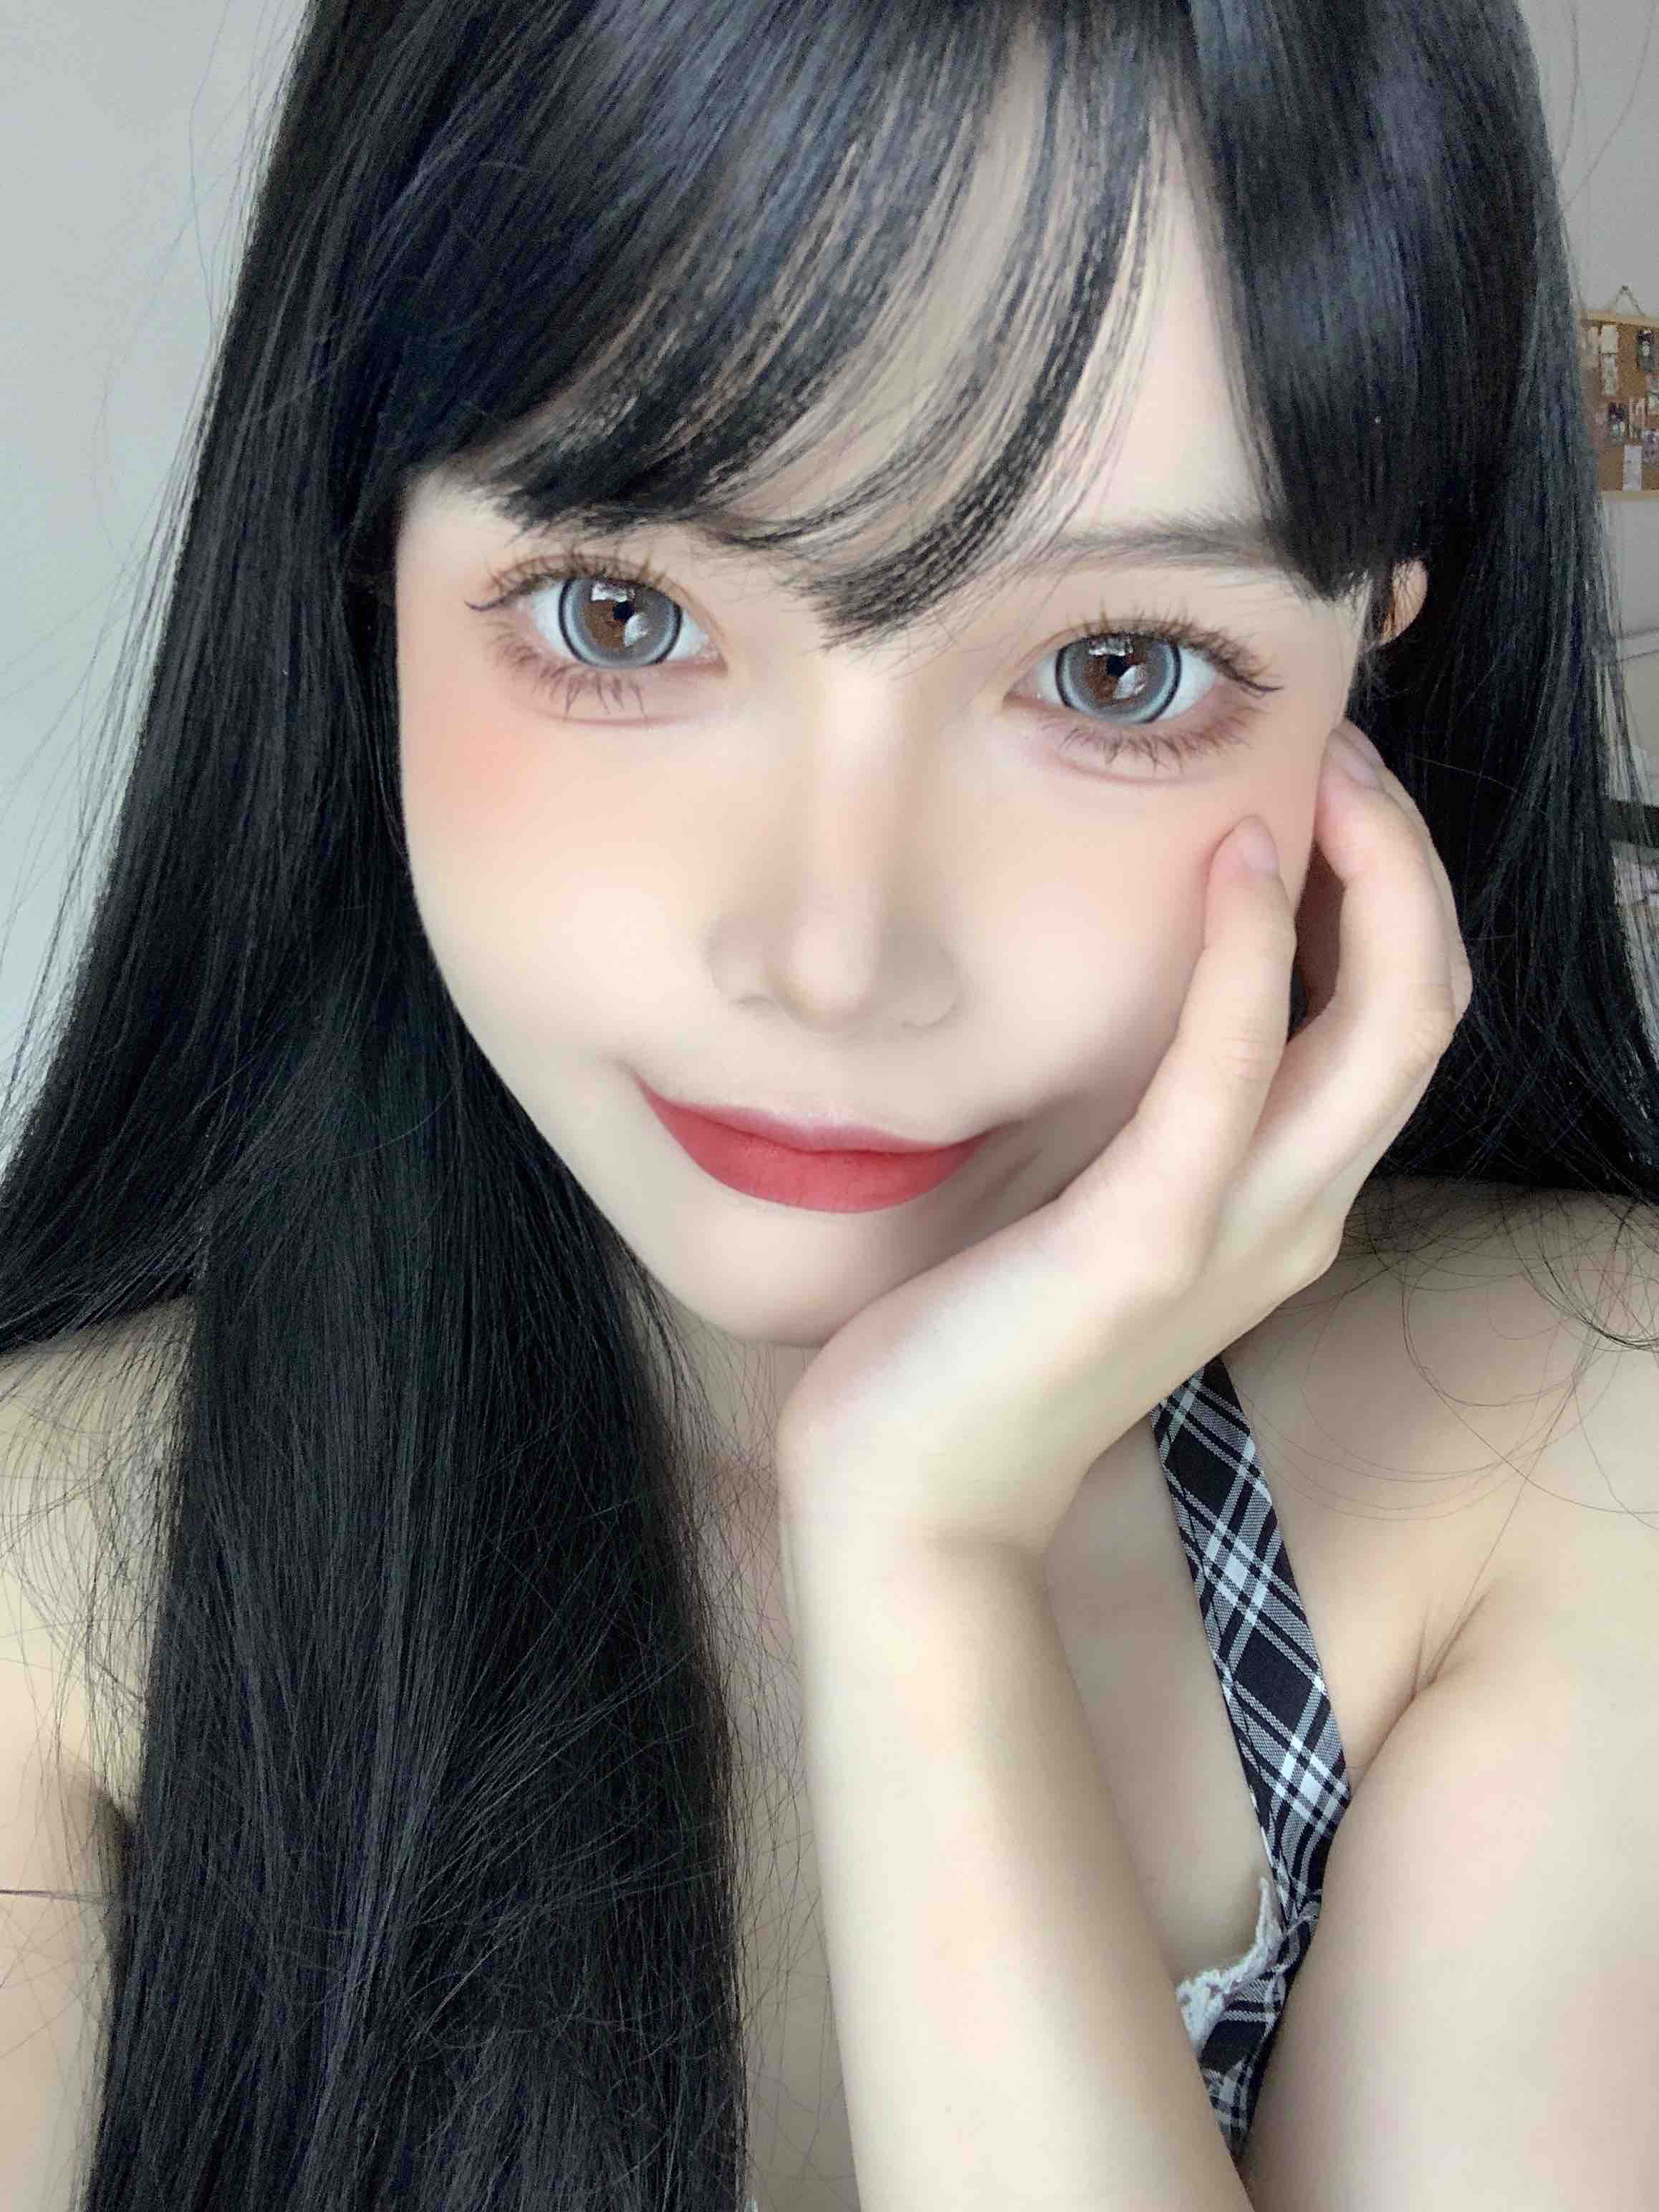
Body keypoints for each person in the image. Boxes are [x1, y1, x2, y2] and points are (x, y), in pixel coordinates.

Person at [1, 2, 1655, 2207]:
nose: (835, 952)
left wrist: (920, 1559)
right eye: (620, 616)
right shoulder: (60, 1577)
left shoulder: (1561, 1436)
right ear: (364, 570)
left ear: (1365, 662)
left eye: (1118, 670)